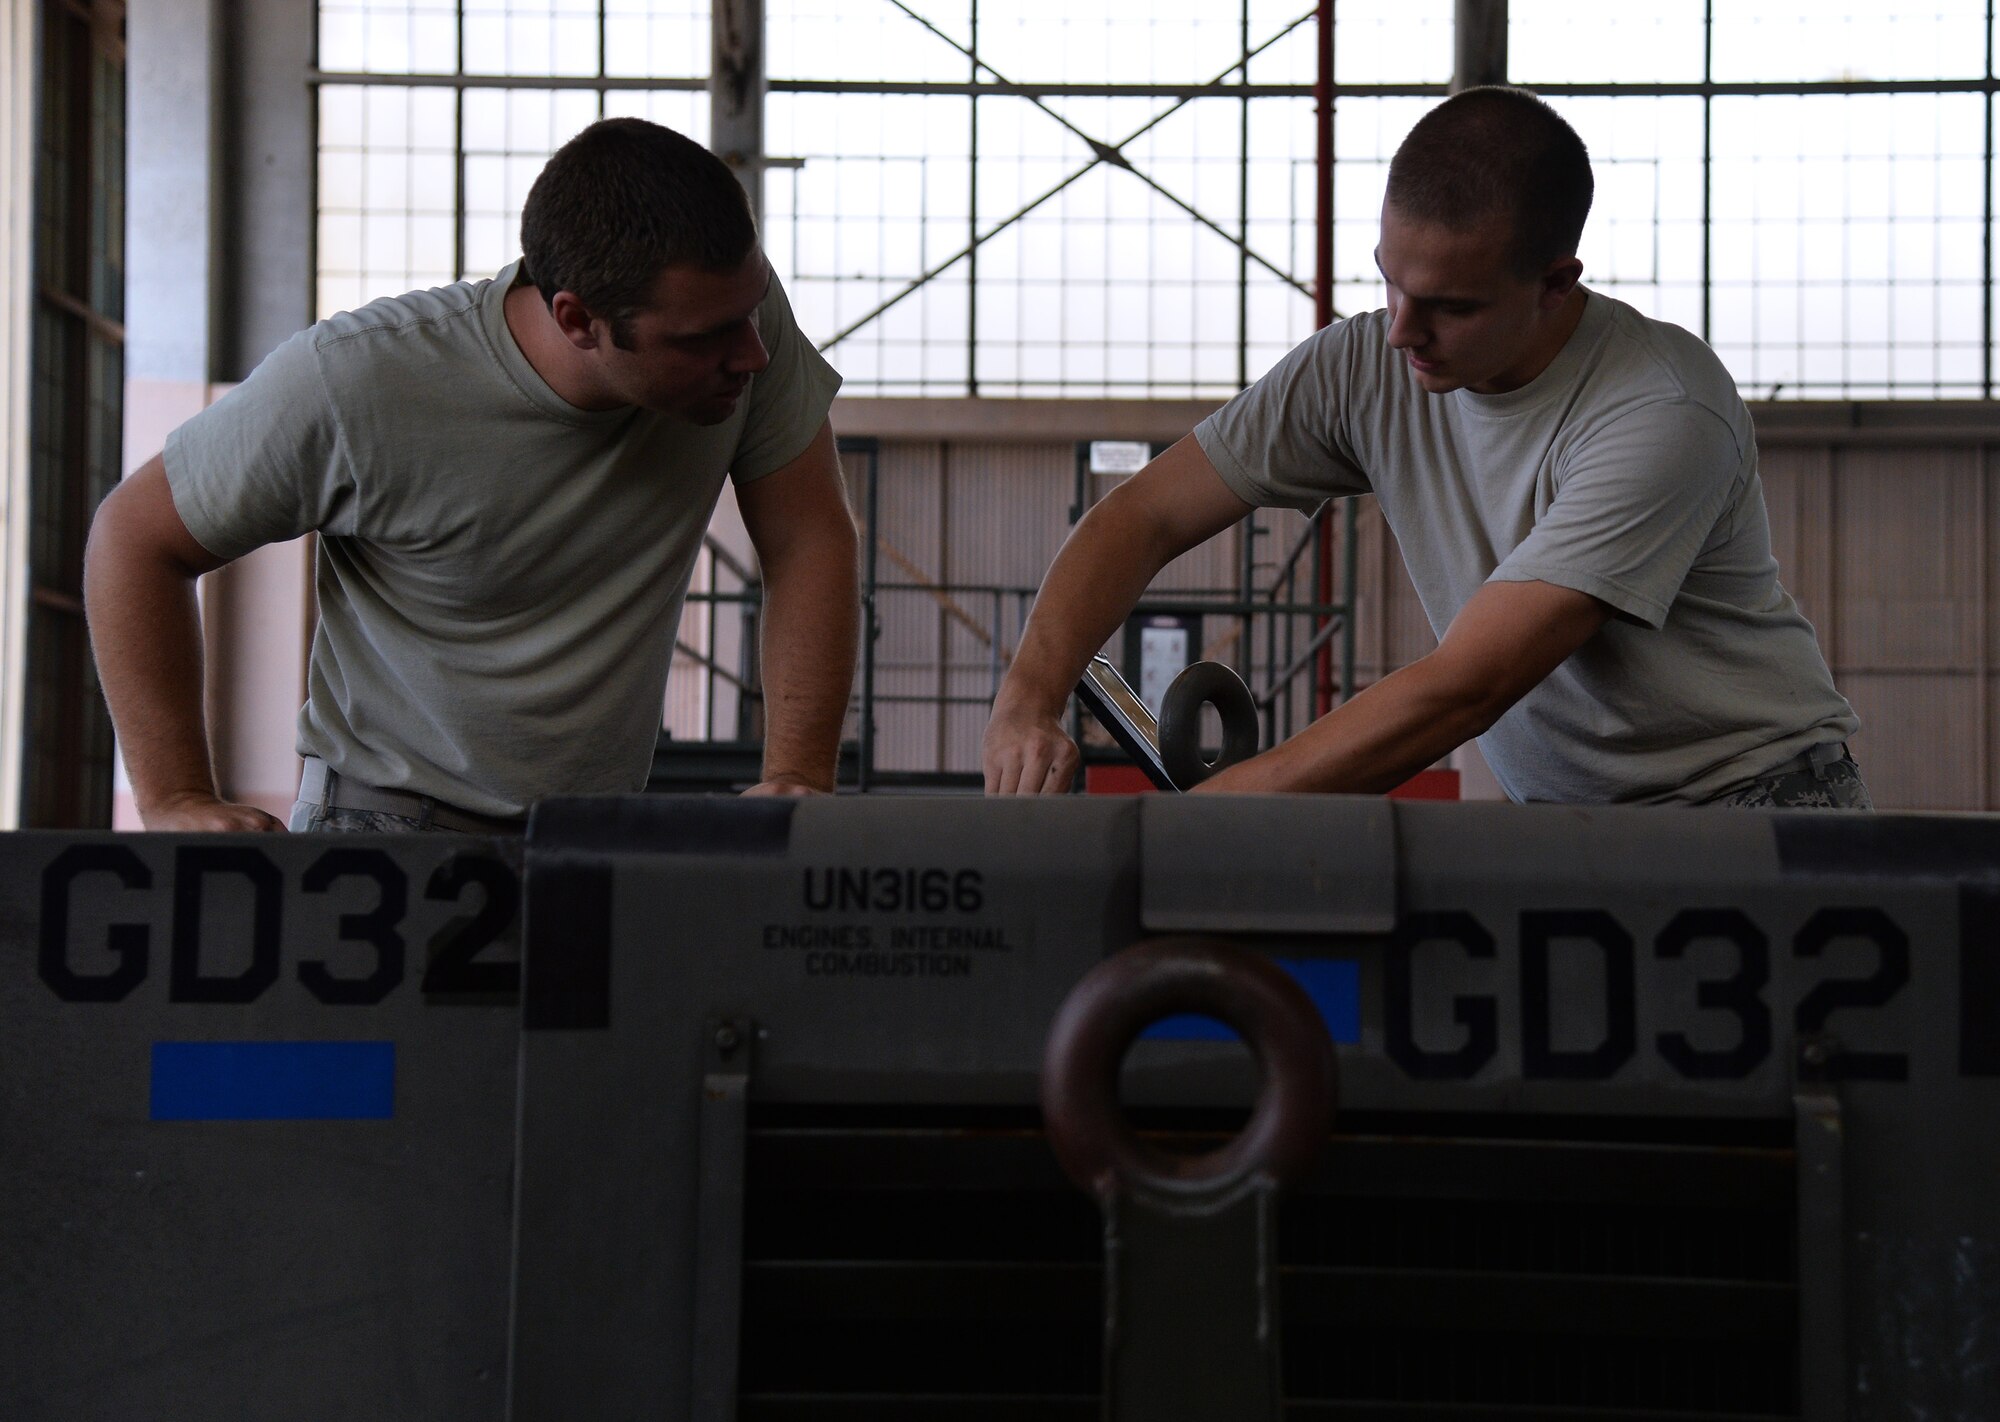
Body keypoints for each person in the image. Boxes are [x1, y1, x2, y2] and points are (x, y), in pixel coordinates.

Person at [982, 86, 1868, 810]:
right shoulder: (1367, 363)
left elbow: (1466, 687)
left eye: (1452, 305)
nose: (1403, 330)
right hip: (1568, 824)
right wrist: (1027, 701)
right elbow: (1144, 514)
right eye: (1390, 280)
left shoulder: (1660, 412)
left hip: (1757, 808)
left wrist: (1191, 826)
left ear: (1555, 284)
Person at [86, 118, 858, 833]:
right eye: (704, 339)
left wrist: (797, 775)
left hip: (587, 833)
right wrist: (175, 796)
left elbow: (808, 539)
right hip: (383, 828)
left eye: (751, 312)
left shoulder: (738, 321)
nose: (751, 356)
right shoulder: (357, 383)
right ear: (577, 320)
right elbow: (133, 538)